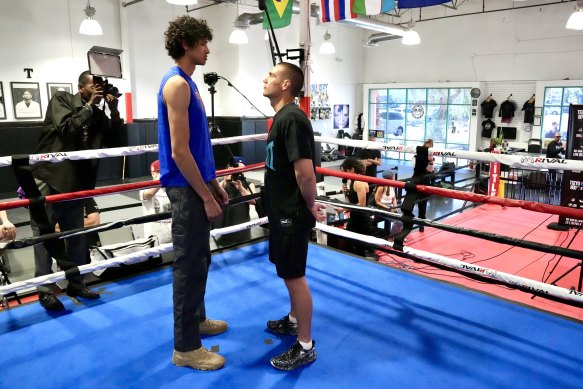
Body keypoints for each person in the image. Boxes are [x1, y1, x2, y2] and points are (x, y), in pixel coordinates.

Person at [158, 15, 229, 371]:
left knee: (201, 259)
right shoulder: (176, 85)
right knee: (188, 266)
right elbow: (180, 152)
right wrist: (203, 195)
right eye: (202, 43)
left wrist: (214, 184)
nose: (207, 49)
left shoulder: (190, 83)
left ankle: (197, 320)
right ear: (186, 44)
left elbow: (200, 147)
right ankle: (186, 347)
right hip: (186, 191)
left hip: (196, 185)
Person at [30, 70, 123, 311]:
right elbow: (67, 129)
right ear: (81, 88)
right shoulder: (61, 99)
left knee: (76, 238)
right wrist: (91, 106)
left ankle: (75, 283)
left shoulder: (97, 114)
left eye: (101, 87)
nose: (98, 90)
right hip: (50, 178)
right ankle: (44, 289)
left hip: (77, 184)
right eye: (94, 86)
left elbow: (116, 142)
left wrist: (113, 111)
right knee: (44, 238)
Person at [262, 61, 326, 371]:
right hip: (281, 212)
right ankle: (292, 320)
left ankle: (305, 345)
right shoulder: (281, 118)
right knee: (287, 273)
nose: (266, 78)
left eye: (272, 75)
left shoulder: (294, 120)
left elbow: (305, 173)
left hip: (292, 213)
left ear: (286, 84)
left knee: (294, 277)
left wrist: (311, 205)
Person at [338, 157, 376, 258]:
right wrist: (345, 193)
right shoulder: (353, 181)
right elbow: (352, 202)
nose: (344, 174)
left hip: (361, 220)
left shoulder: (359, 182)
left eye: (345, 171)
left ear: (352, 170)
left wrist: (344, 208)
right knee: (350, 246)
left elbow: (362, 205)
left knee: (356, 248)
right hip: (355, 217)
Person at [402, 139, 434, 233]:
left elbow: (430, 170)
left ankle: (421, 224)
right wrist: (425, 160)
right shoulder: (416, 156)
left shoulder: (431, 158)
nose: (428, 147)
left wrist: (430, 161)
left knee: (422, 203)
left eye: (430, 146)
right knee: (410, 200)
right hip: (416, 178)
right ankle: (408, 221)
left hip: (425, 179)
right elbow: (414, 165)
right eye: (427, 145)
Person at [139, 160, 172, 244]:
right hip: (154, 239)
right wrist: (161, 177)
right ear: (153, 173)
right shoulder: (145, 188)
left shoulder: (172, 188)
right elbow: (150, 193)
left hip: (172, 235)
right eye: (160, 172)